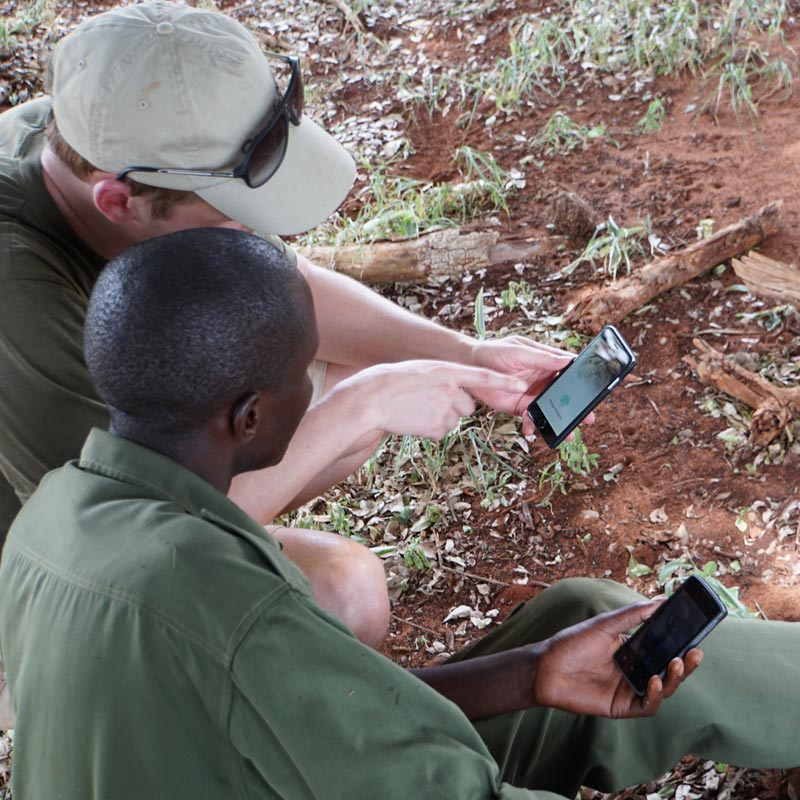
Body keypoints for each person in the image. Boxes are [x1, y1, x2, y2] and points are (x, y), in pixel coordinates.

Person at [1, 227, 798, 799]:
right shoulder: (227, 607)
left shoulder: (55, 518)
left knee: (587, 621)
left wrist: (532, 671)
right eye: (302, 373)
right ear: (247, 418)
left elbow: (304, 715)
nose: (315, 385)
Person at [0, 0, 575, 654]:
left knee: (336, 384)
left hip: (114, 486)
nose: (265, 232)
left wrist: (470, 353)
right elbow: (126, 541)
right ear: (118, 201)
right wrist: (361, 408)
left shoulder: (90, 129)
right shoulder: (18, 290)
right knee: (344, 590)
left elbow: (283, 285)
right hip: (54, 568)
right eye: (234, 215)